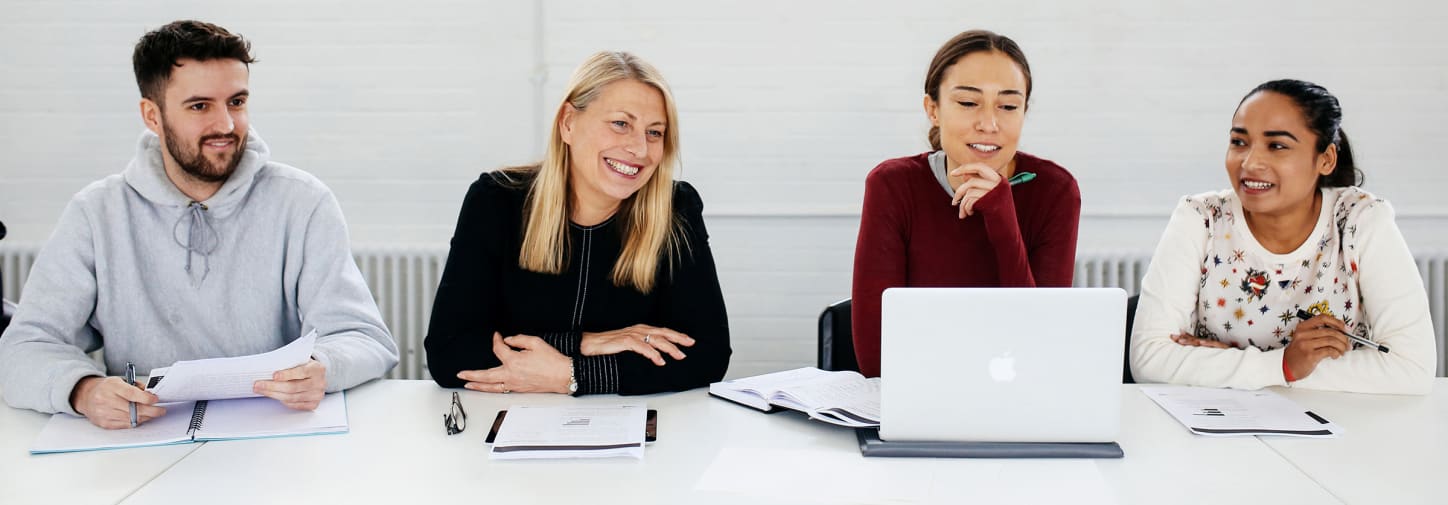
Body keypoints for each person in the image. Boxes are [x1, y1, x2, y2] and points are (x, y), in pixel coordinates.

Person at [0, 20, 399, 428]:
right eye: (200, 106)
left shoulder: (303, 201)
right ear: (152, 116)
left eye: (237, 102)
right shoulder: (96, 213)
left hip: (276, 441)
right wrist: (83, 389)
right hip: (140, 446)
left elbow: (366, 338)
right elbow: (23, 348)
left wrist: (323, 367)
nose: (225, 125)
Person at [424, 51, 730, 395]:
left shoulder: (675, 209)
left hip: (634, 431)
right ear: (568, 122)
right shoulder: (496, 200)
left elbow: (708, 354)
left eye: (655, 132)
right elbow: (449, 352)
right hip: (508, 424)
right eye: (621, 123)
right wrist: (585, 344)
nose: (640, 149)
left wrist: (572, 375)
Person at [1130, 79, 1435, 394]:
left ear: (1326, 159)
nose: (1249, 163)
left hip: (1339, 426)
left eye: (1277, 146)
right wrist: (1284, 365)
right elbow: (1149, 359)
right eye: (1239, 142)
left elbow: (1412, 368)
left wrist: (1254, 368)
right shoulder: (1201, 217)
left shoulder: (1361, 221)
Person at [851, 30, 1081, 378]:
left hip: (1017, 399)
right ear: (933, 109)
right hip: (917, 395)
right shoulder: (893, 185)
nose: (989, 124)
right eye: (968, 103)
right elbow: (875, 359)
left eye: (1007, 106)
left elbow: (1039, 347)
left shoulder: (1055, 191)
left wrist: (1002, 217)